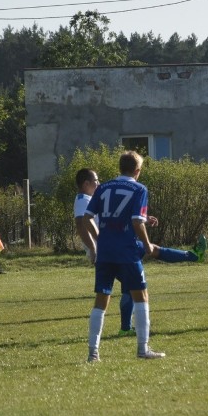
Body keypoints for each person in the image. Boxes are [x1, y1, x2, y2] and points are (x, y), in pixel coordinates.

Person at [74, 168, 205, 338]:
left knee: (149, 257)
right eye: (96, 180)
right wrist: (93, 247)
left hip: (112, 245)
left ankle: (125, 329)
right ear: (86, 184)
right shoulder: (83, 199)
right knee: (142, 268)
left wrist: (143, 218)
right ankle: (129, 331)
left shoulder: (93, 196)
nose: (98, 183)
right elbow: (81, 224)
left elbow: (116, 214)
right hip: (112, 247)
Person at [82, 152, 166, 362]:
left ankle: (93, 353)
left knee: (101, 299)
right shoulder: (139, 188)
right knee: (141, 296)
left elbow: (87, 217)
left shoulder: (103, 187)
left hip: (106, 252)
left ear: (119, 167)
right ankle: (142, 349)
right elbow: (137, 221)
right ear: (137, 171)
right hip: (127, 251)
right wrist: (147, 245)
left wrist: (99, 239)